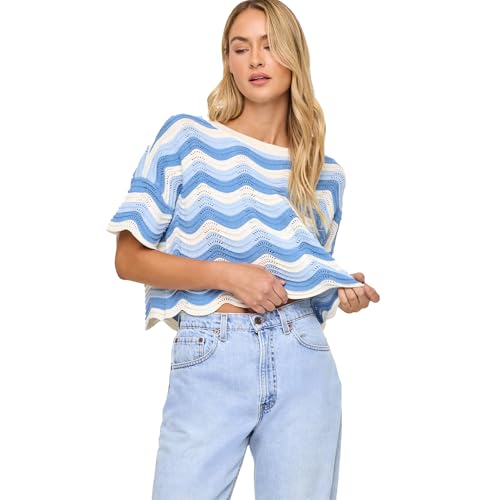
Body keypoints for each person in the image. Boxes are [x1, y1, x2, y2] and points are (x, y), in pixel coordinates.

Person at [106, 0, 380, 498]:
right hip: (212, 351)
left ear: (294, 55)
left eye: (270, 45)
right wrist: (227, 275)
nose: (256, 59)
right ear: (228, 62)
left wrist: (343, 290)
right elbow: (128, 259)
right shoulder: (187, 140)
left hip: (303, 356)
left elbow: (306, 288)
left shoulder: (325, 175)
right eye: (241, 47)